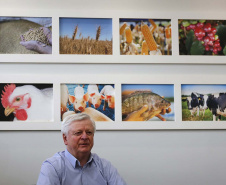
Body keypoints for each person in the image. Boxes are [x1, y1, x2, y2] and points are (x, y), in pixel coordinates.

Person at [37, 113, 127, 185]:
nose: (85, 137)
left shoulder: (104, 166)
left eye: (89, 132)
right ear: (65, 138)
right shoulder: (52, 167)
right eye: (78, 133)